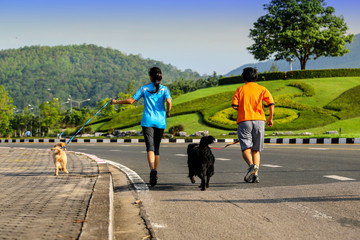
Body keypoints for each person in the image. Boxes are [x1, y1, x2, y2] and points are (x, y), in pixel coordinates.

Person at [111, 67, 172, 187]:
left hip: (147, 121)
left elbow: (131, 101)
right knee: (157, 149)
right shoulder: (164, 89)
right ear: (160, 77)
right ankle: (156, 171)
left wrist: (116, 102)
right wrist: (168, 112)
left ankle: (152, 171)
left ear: (150, 77)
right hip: (160, 122)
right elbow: (169, 102)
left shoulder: (144, 88)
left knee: (150, 147)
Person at [232, 67, 274, 183]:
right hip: (260, 120)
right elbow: (271, 104)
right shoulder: (262, 89)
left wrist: (244, 110)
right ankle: (255, 175)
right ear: (256, 77)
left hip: (244, 120)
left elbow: (235, 106)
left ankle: (251, 166)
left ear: (243, 77)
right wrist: (270, 118)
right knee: (256, 150)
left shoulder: (240, 89)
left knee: (246, 148)